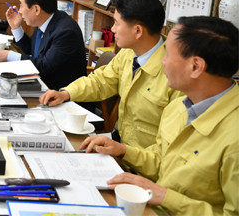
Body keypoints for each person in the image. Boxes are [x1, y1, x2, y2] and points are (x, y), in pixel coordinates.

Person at [80, 16, 239, 216]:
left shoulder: (234, 136)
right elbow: (163, 160)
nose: (162, 61)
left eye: (168, 55)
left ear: (196, 66)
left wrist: (165, 197)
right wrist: (123, 150)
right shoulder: (179, 107)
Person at [40, 0, 183, 148]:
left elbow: (169, 144)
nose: (112, 29)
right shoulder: (129, 53)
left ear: (138, 31)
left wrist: (126, 153)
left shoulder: (174, 75)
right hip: (120, 143)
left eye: (116, 23)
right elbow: (100, 82)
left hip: (143, 160)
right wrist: (66, 93)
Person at [0, 0, 87, 90]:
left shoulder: (66, 32)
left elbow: (44, 67)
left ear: (36, 9)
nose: (19, 11)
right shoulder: (45, 20)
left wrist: (9, 56)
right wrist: (16, 27)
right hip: (43, 86)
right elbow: (31, 50)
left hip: (63, 96)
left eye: (21, 5)